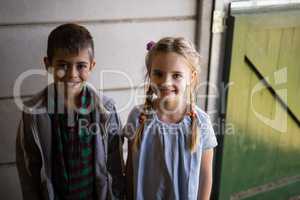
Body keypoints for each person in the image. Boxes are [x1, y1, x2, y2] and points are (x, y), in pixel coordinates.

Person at [16, 23, 125, 200]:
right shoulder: (33, 113)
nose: (72, 74)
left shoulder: (105, 109)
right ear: (48, 64)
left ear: (91, 65)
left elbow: (115, 164)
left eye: (81, 65)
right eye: (63, 65)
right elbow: (29, 170)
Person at [124, 37, 218, 200]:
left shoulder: (201, 122)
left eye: (176, 75)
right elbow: (131, 170)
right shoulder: (138, 117)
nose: (166, 82)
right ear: (150, 74)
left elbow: (205, 176)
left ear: (192, 77)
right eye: (158, 74)